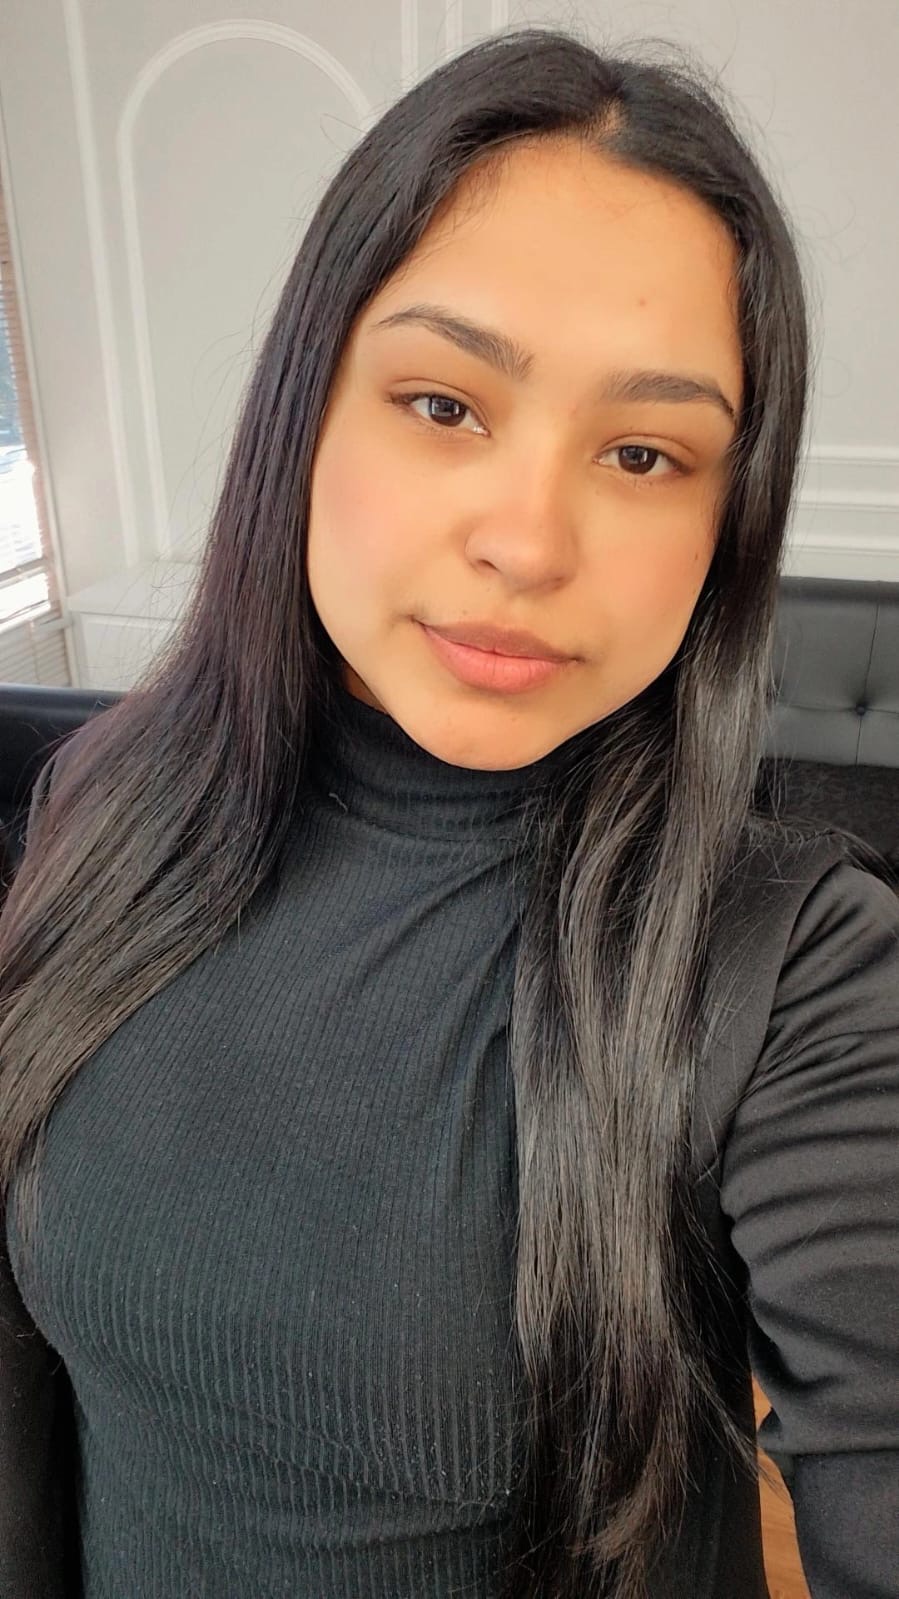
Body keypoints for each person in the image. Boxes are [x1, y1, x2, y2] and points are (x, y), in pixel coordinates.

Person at [0, 26, 896, 1599]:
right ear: (308, 409)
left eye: (644, 452)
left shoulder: (797, 971)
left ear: (726, 517)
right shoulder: (105, 802)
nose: (530, 542)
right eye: (443, 404)